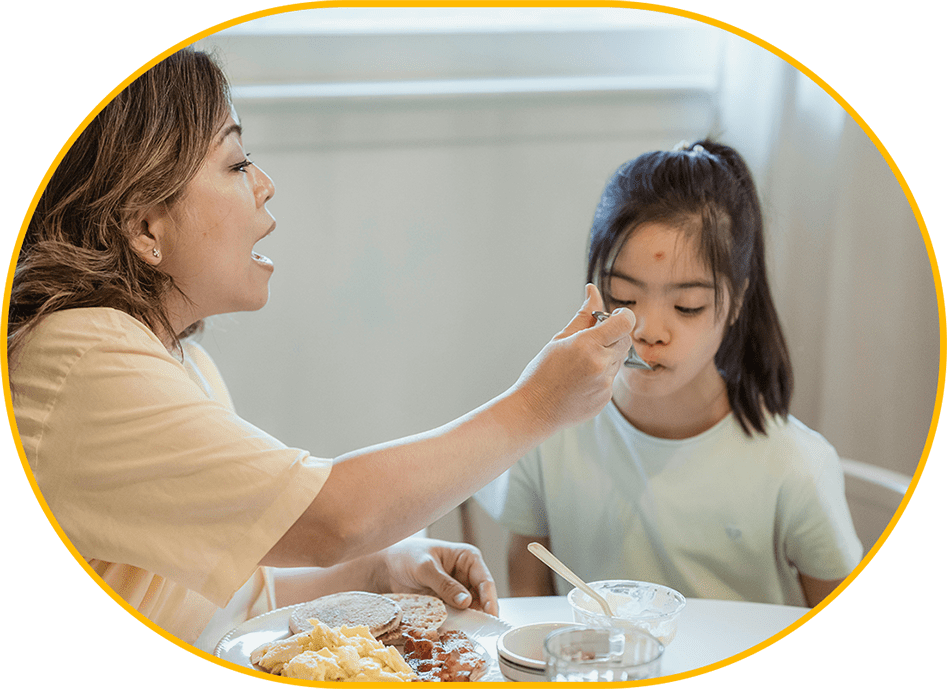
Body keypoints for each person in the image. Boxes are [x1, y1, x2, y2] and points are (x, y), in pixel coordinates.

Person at [6, 48, 636, 652]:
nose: (265, 185)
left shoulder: (181, 363)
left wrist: (380, 568)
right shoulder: (83, 358)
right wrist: (538, 406)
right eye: (235, 163)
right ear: (145, 227)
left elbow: (227, 596)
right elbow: (337, 517)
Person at [477, 140, 863, 608]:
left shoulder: (795, 468)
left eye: (687, 307)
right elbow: (530, 596)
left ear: (737, 300)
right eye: (623, 297)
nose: (649, 331)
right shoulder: (547, 431)